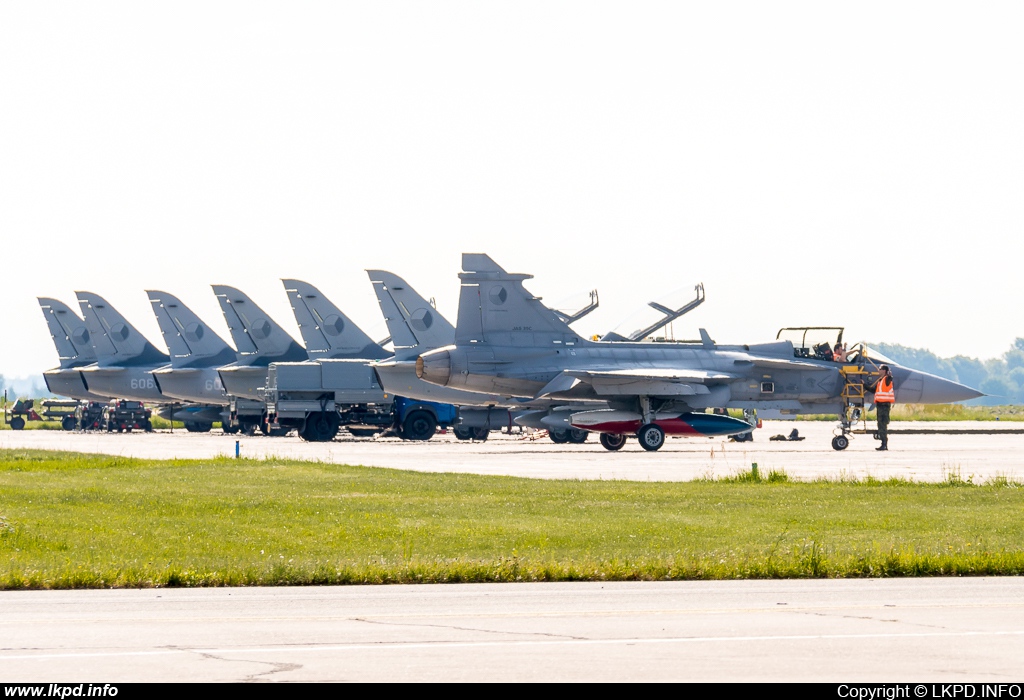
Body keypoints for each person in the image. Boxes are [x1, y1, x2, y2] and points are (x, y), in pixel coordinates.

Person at [867, 364, 895, 450]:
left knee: (882, 425)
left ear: (884, 371)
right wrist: (864, 385)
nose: (878, 370)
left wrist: (889, 375)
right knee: (880, 425)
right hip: (880, 406)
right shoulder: (881, 381)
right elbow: (873, 390)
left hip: (884, 406)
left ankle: (884, 444)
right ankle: (883, 444)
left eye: (880, 369)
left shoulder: (886, 379)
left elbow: (889, 380)